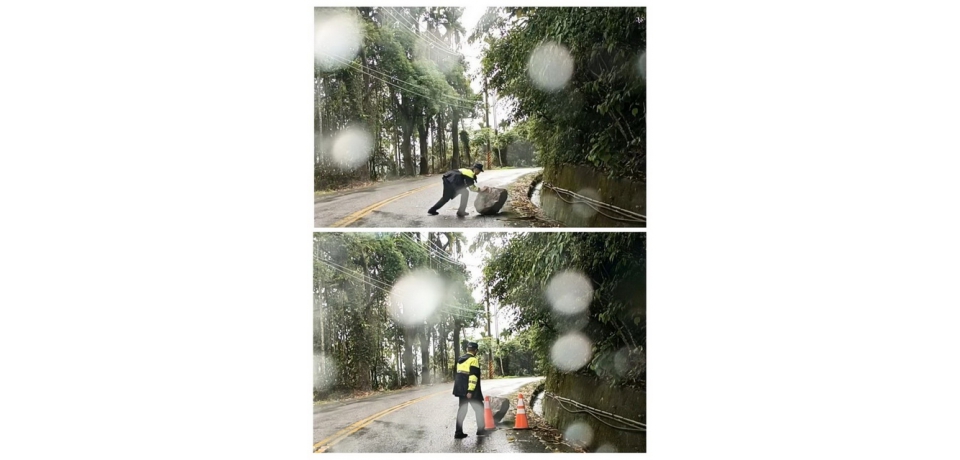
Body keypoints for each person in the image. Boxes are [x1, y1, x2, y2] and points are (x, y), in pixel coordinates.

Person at [451, 341, 486, 438]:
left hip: (460, 389)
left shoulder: (460, 360)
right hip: (470, 390)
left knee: (462, 410)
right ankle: (480, 430)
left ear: (467, 349)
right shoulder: (473, 360)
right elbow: (473, 376)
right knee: (479, 408)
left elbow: (459, 375)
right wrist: (470, 391)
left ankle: (458, 433)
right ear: (476, 351)